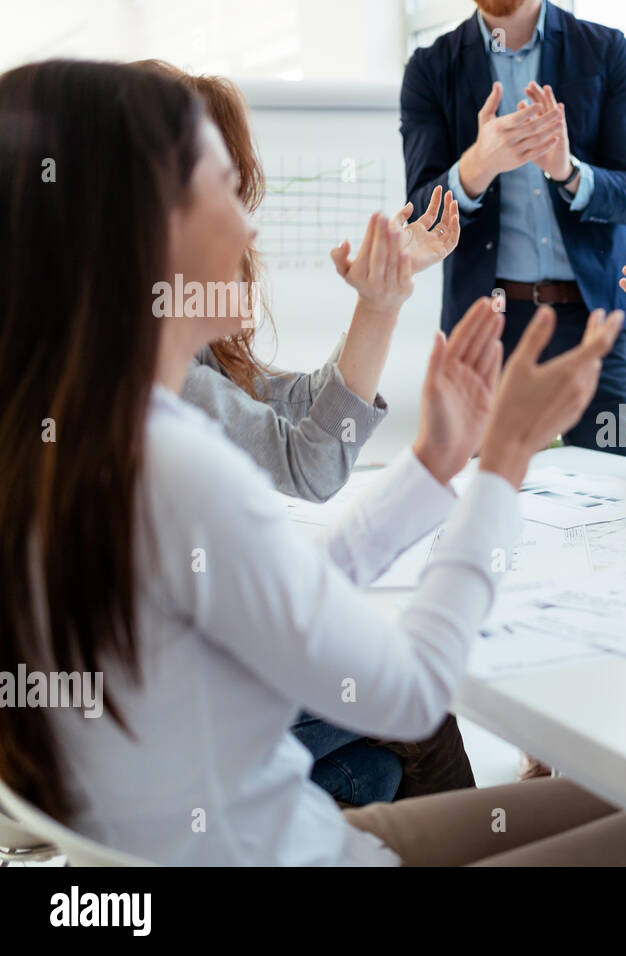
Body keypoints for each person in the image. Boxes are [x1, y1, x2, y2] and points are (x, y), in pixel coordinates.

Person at [0, 59, 626, 866]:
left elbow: (291, 586)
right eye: (227, 190)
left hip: (290, 839)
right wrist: (502, 465)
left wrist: (439, 463)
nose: (251, 227)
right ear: (137, 226)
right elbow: (412, 690)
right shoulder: (171, 467)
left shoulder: (77, 447)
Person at [134, 60, 473, 806]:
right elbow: (309, 462)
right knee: (411, 701)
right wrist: (470, 459)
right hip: (175, 744)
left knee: (371, 772)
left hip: (158, 735)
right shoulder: (158, 392)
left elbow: (288, 413)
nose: (253, 226)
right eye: (228, 190)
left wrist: (379, 305)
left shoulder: (166, 363)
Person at [401, 0, 626, 457]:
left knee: (617, 492)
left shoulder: (605, 50)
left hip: (592, 318)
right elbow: (419, 214)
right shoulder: (430, 67)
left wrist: (568, 171)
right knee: (479, 496)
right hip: (486, 322)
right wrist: (476, 167)